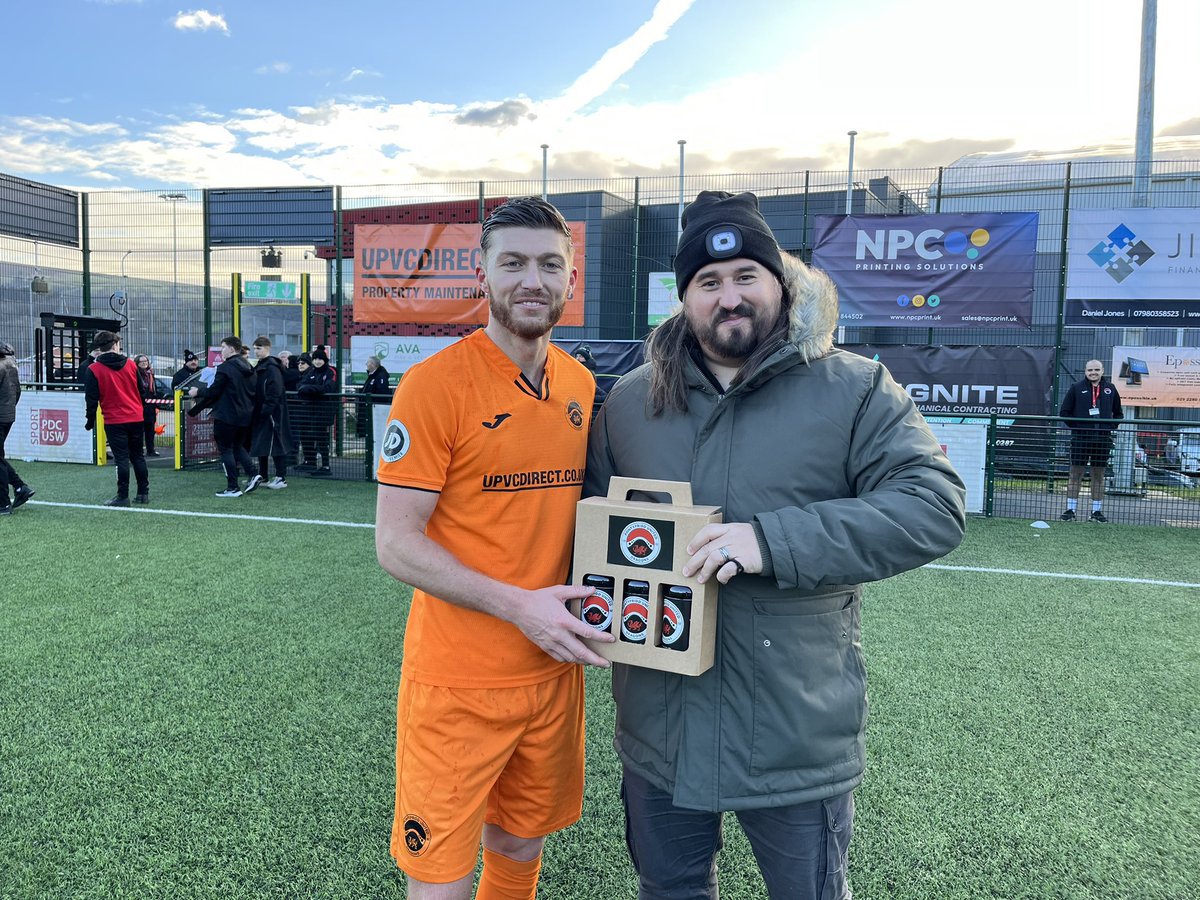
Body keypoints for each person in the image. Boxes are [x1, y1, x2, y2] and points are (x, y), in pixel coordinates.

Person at [584, 191, 967, 900]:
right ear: (685, 297)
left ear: (780, 281)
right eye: (708, 282)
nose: (729, 297)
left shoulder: (853, 388)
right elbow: (595, 530)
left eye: (745, 277)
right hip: (659, 730)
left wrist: (772, 540)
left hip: (793, 732)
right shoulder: (632, 401)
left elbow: (933, 505)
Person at [374, 197, 611, 900]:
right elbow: (396, 544)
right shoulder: (434, 386)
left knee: (518, 842)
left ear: (572, 281)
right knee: (443, 875)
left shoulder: (581, 384)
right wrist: (520, 607)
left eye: (548, 264)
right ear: (483, 275)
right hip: (458, 683)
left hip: (552, 671)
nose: (530, 281)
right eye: (512, 263)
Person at [187, 335, 259, 498]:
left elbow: (214, 391)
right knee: (237, 446)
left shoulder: (225, 368)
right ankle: (253, 473)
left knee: (226, 449)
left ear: (232, 349)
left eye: (223, 348)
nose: (222, 351)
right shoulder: (249, 366)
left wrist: (197, 391)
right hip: (245, 415)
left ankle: (233, 487)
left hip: (227, 415)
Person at [83, 331, 150, 507]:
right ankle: (143, 493)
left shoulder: (94, 369)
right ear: (114, 345)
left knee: (121, 459)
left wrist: (90, 421)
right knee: (138, 456)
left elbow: (91, 399)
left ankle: (123, 496)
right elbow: (141, 391)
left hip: (114, 420)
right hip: (135, 416)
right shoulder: (130, 364)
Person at [1058, 359, 1123, 523]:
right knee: (1075, 474)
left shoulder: (1110, 389)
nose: (1093, 373)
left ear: (1102, 371)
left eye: (1096, 369)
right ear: (1085, 371)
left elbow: (1118, 413)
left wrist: (1109, 427)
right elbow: (1064, 412)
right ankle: (1070, 510)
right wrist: (1078, 427)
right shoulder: (1076, 388)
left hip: (1102, 439)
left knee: (1098, 475)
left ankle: (1096, 512)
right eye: (1089, 370)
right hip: (1081, 439)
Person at [248, 335, 293, 490]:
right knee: (262, 444)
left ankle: (281, 477)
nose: (256, 351)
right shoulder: (262, 366)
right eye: (255, 348)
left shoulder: (271, 368)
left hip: (272, 413)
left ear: (267, 348)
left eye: (258, 348)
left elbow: (274, 392)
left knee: (277, 444)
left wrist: (266, 410)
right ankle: (264, 476)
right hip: (263, 411)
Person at [0, 341, 35, 516]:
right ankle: (20, 486)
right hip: (7, 415)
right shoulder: (11, 364)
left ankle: (4, 503)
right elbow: (18, 392)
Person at [297, 346, 337, 476]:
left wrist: (310, 389)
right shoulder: (312, 371)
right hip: (311, 410)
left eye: (320, 359)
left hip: (324, 411)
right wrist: (312, 389)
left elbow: (328, 388)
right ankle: (311, 462)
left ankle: (326, 466)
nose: (317, 362)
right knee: (310, 436)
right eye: (315, 359)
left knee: (322, 438)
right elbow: (301, 386)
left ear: (324, 360)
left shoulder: (330, 371)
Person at [355, 354, 391, 437]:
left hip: (374, 410)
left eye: (368, 363)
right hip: (368, 409)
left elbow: (382, 393)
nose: (366, 364)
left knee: (374, 433)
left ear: (373, 364)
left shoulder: (380, 376)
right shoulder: (371, 376)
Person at [134, 354, 162, 456]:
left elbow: (155, 389)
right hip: (140, 405)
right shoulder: (135, 374)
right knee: (139, 429)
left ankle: (151, 450)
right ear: (137, 363)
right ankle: (139, 450)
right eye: (142, 362)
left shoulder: (150, 374)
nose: (144, 363)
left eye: (146, 361)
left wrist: (157, 403)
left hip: (151, 405)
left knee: (150, 429)